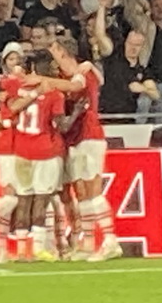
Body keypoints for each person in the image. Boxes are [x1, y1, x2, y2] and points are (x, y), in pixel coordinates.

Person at [31, 37, 122, 262]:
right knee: (81, 193)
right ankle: (88, 243)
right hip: (75, 139)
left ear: (62, 53)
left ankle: (110, 240)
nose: (51, 58)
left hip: (89, 136)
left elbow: (77, 86)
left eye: (53, 51)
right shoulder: (66, 76)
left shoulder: (83, 73)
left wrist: (40, 79)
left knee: (92, 189)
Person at [9, 49, 67, 262]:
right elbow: (61, 125)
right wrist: (78, 111)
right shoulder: (54, 94)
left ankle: (21, 250)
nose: (52, 69)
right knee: (41, 201)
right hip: (44, 151)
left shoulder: (20, 88)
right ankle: (38, 248)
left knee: (23, 200)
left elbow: (9, 108)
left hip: (21, 150)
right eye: (49, 66)